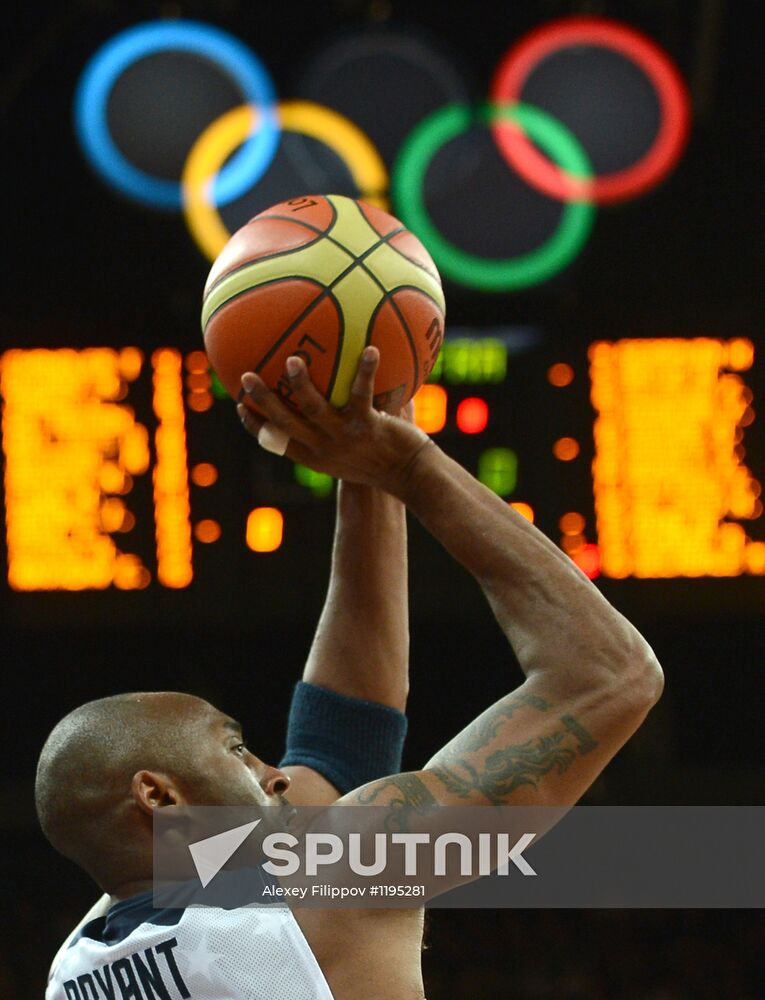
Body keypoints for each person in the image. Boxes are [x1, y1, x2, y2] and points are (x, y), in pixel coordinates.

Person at [37, 347, 663, 999]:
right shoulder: (326, 882)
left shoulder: (75, 970)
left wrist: (363, 473)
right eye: (236, 750)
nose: (275, 774)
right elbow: (611, 674)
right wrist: (411, 468)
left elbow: (338, 745)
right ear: (159, 797)